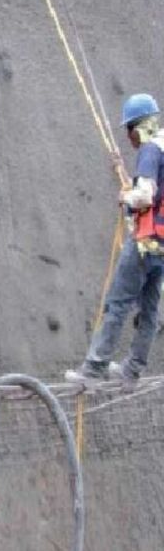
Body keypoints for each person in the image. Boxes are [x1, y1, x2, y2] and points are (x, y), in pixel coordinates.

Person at [66, 93, 164, 384]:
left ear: (137, 128)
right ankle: (132, 370)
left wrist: (125, 197)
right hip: (162, 247)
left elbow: (145, 195)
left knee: (117, 303)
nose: (128, 137)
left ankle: (94, 368)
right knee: (149, 310)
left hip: (145, 242)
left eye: (128, 130)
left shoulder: (150, 151)